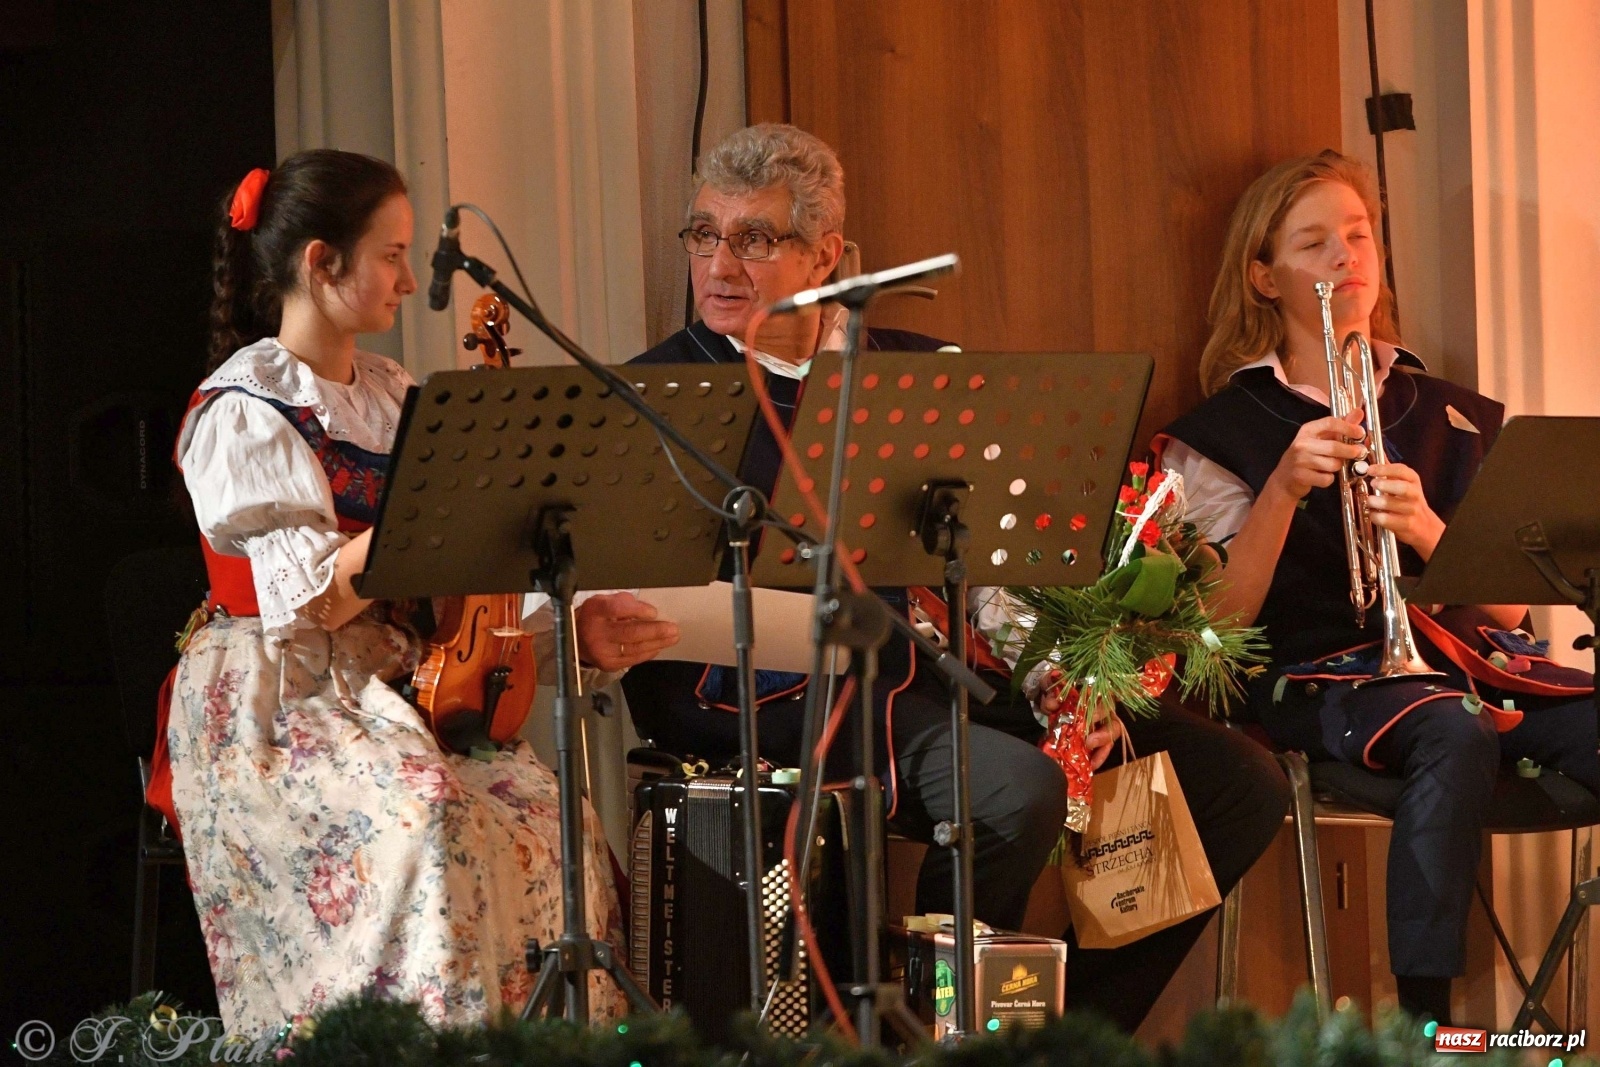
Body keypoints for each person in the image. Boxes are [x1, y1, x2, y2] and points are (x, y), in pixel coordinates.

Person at [621, 124, 1290, 1034]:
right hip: (751, 697)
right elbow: (607, 596)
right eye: (704, 233)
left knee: (1237, 782)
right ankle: (935, 1034)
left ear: (826, 254)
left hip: (921, 677)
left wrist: (1066, 682)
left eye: (755, 237)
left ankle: (1071, 1031)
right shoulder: (653, 390)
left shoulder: (919, 369)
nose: (720, 263)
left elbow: (990, 567)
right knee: (1014, 790)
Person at [159, 150, 678, 1033]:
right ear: (323, 263)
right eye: (391, 254)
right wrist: (426, 516)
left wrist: (570, 633)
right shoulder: (243, 409)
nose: (408, 278)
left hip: (396, 681)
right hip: (284, 698)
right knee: (424, 816)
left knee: (551, 817)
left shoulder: (396, 395)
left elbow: (461, 596)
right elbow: (313, 600)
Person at [1158, 149, 1597, 1023]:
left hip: (1467, 667)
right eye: (1314, 243)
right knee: (1453, 734)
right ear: (1263, 276)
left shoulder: (1451, 411)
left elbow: (1508, 613)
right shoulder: (1219, 433)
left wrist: (1431, 532)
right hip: (1318, 677)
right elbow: (1217, 630)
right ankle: (1430, 1026)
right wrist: (1282, 487)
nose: (1346, 257)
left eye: (1358, 235)